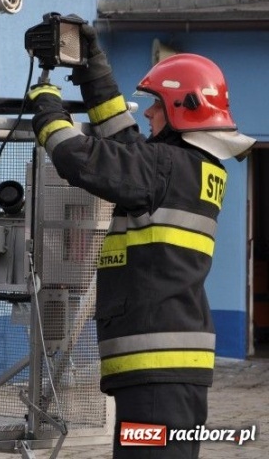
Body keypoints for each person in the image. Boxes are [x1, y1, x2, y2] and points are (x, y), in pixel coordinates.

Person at [26, 23, 255, 458]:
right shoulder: (190, 168)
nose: (147, 114)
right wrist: (92, 68)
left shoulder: (162, 168)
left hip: (156, 379)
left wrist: (47, 109)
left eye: (156, 106)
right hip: (171, 376)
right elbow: (126, 145)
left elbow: (79, 157)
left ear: (182, 110)